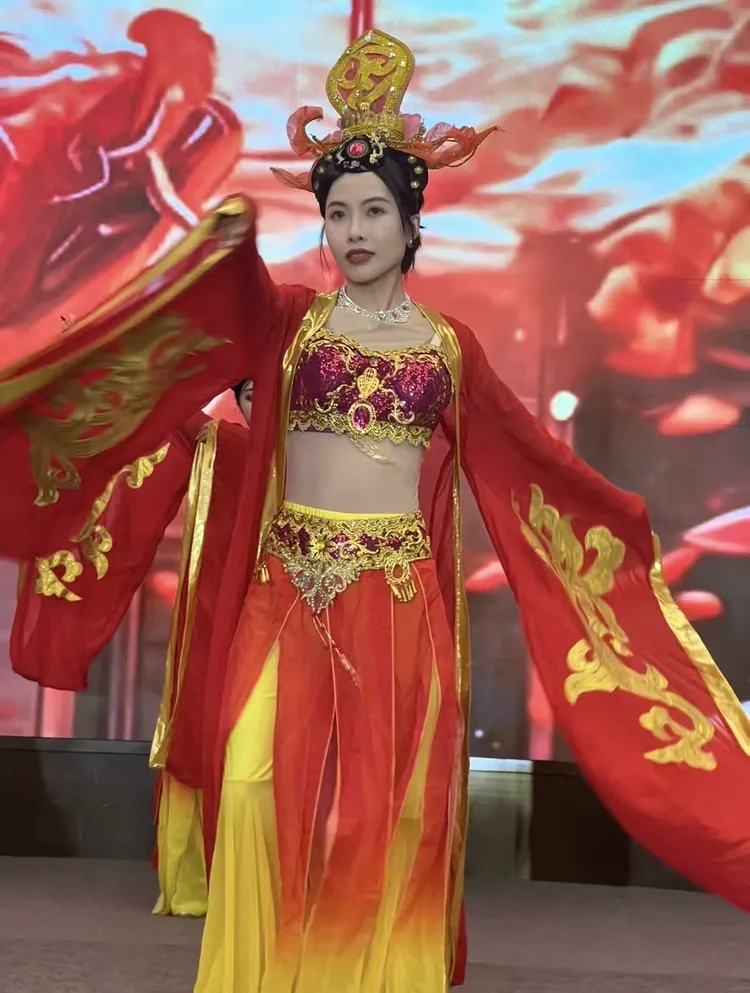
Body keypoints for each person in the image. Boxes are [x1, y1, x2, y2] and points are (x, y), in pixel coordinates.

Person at [4, 28, 750, 993]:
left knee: (387, 810)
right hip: (285, 585)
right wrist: (211, 251)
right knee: (252, 783)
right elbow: (205, 313)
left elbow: (524, 462)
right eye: (338, 213)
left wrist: (612, 518)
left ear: (409, 223)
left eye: (374, 211)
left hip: (396, 598)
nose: (354, 230)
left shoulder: (449, 346)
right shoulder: (287, 322)